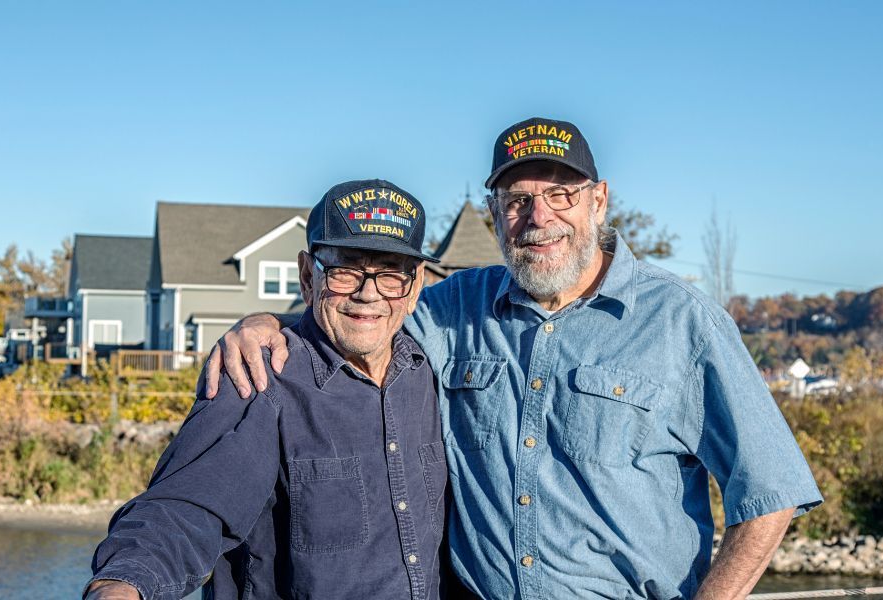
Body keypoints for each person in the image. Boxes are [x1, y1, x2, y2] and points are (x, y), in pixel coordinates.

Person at [208, 118, 823, 599]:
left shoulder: (683, 321)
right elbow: (363, 311)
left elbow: (769, 492)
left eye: (561, 194)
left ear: (599, 201)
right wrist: (268, 322)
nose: (539, 217)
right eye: (517, 198)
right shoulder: (453, 307)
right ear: (496, 210)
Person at [85, 180, 448, 600]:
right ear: (308, 276)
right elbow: (186, 506)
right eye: (345, 271)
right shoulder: (259, 378)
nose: (368, 294)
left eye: (389, 275)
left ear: (416, 284)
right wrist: (123, 585)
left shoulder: (430, 372)